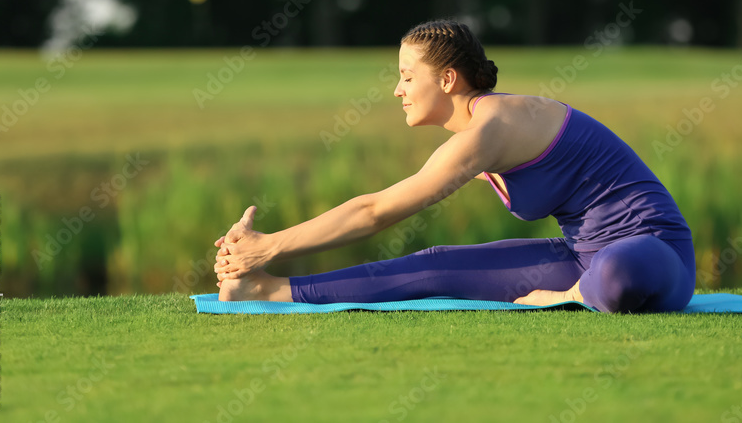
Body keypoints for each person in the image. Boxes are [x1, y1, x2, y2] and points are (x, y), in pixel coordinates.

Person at [213, 20, 695, 313]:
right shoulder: (473, 132)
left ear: (446, 79)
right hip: (579, 258)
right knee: (434, 264)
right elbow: (375, 208)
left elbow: (375, 212)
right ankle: (268, 291)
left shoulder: (492, 128)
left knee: (617, 273)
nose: (397, 90)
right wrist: (261, 263)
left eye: (406, 76)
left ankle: (577, 294)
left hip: (654, 254)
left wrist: (272, 243)